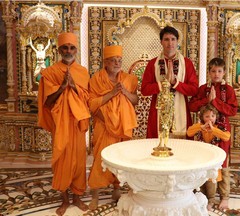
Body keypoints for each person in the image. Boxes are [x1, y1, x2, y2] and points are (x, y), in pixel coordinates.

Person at [37, 32, 90, 216]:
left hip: (77, 123)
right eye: (65, 48)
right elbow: (47, 101)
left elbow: (87, 99)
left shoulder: (82, 72)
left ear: (76, 49)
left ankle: (77, 197)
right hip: (60, 124)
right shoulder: (50, 73)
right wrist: (61, 87)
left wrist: (73, 86)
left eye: (72, 47)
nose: (69, 51)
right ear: (59, 50)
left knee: (79, 161)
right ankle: (65, 200)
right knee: (61, 161)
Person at [88, 45, 138, 210]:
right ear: (106, 62)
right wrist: (111, 93)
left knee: (120, 158)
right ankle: (94, 196)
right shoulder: (97, 79)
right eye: (113, 60)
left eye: (119, 60)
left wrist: (124, 92)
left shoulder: (128, 80)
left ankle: (116, 189)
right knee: (100, 160)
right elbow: (92, 104)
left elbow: (135, 100)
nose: (117, 63)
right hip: (104, 126)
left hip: (122, 126)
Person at [189, 57, 238, 211]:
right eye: (213, 71)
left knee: (222, 164)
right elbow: (192, 106)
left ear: (224, 72)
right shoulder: (203, 89)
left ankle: (225, 197)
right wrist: (206, 100)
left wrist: (215, 102)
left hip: (222, 132)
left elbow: (233, 111)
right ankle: (206, 196)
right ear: (209, 72)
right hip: (204, 133)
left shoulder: (228, 90)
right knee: (205, 162)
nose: (216, 74)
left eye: (219, 71)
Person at [141, 26, 198, 139]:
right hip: (158, 112)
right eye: (166, 39)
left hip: (181, 110)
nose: (170, 43)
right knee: (157, 146)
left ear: (177, 41)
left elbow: (194, 90)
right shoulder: (153, 63)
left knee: (181, 150)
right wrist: (163, 83)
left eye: (173, 39)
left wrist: (175, 83)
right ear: (161, 42)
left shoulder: (187, 63)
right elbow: (144, 90)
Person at [187, 103, 231, 211]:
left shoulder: (219, 127)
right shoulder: (200, 127)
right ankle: (200, 199)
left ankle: (211, 201)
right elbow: (189, 132)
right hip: (202, 159)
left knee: (212, 180)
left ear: (216, 117)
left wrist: (214, 130)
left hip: (213, 160)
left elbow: (226, 137)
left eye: (212, 116)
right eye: (207, 116)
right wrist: (200, 127)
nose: (210, 119)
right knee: (201, 180)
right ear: (202, 117)